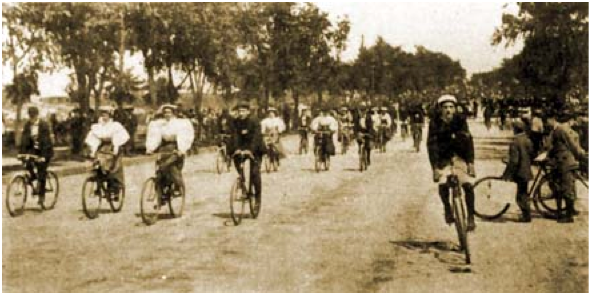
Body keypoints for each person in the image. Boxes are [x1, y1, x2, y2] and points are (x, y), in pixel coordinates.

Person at [427, 95, 477, 231]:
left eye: (451, 107)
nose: (448, 110)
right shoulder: (435, 123)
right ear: (440, 109)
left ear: (455, 109)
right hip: (444, 159)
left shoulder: (461, 121)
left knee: (468, 186)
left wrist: (470, 163)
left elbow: (468, 141)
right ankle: (447, 208)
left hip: (460, 158)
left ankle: (471, 217)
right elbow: (431, 146)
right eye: (445, 107)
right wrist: (435, 168)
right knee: (443, 184)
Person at [545, 109, 588, 223]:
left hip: (565, 163)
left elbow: (572, 145)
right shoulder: (558, 130)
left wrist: (581, 154)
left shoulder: (561, 130)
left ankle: (569, 217)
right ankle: (565, 212)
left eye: (548, 121)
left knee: (567, 188)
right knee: (563, 186)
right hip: (562, 162)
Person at [146, 104, 195, 195]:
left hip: (175, 147)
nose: (167, 114)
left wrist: (181, 149)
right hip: (164, 148)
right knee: (159, 168)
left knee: (171, 167)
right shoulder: (160, 124)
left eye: (169, 112)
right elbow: (154, 136)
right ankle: (160, 193)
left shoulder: (180, 123)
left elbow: (184, 136)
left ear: (173, 113)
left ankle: (178, 186)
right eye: (165, 113)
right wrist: (150, 148)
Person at [84, 107, 130, 197]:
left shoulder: (115, 125)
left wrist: (116, 146)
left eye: (106, 115)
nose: (104, 117)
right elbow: (93, 138)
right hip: (102, 147)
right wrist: (92, 149)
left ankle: (114, 188)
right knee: (97, 163)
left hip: (113, 147)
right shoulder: (97, 126)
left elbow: (120, 136)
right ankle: (98, 186)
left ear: (110, 116)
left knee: (112, 166)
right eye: (102, 115)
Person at [228, 100, 265, 202]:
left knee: (255, 173)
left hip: (256, 149)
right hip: (243, 147)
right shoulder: (236, 122)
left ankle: (257, 198)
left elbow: (256, 137)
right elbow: (235, 136)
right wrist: (236, 149)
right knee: (236, 159)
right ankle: (242, 182)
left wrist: (251, 150)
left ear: (248, 111)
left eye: (243, 111)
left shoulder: (255, 121)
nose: (241, 113)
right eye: (239, 111)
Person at [19, 106, 54, 206]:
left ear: (37, 115)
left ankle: (42, 196)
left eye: (33, 116)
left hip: (45, 151)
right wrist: (21, 153)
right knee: (27, 164)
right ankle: (33, 176)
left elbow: (46, 142)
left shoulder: (44, 125)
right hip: (34, 151)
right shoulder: (27, 125)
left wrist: (43, 156)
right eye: (30, 116)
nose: (32, 119)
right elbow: (24, 140)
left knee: (42, 172)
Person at [502, 121, 534, 222]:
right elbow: (531, 154)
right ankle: (526, 214)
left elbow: (514, 161)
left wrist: (507, 173)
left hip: (519, 172)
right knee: (524, 192)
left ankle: (526, 216)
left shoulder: (515, 142)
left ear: (515, 129)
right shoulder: (528, 140)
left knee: (520, 196)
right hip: (527, 170)